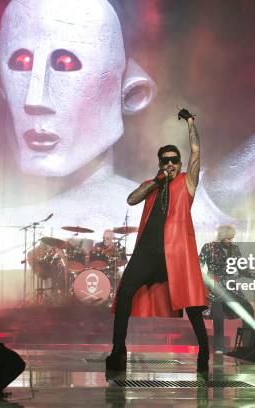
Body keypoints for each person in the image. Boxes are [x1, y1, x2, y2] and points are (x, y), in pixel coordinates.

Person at [106, 108, 209, 373]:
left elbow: (196, 151)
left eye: (174, 159)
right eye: (166, 160)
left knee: (193, 306)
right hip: (148, 254)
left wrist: (190, 122)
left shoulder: (187, 182)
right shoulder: (153, 184)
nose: (171, 163)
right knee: (125, 293)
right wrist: (156, 180)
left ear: (180, 162)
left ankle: (204, 353)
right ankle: (118, 350)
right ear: (160, 163)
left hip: (175, 255)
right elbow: (132, 199)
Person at [199, 225, 255, 353]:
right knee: (218, 316)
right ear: (221, 237)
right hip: (215, 287)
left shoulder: (235, 249)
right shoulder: (209, 247)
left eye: (232, 238)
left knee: (248, 310)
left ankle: (247, 346)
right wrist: (207, 280)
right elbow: (199, 266)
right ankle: (219, 348)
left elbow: (242, 268)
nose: (231, 241)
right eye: (228, 238)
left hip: (231, 286)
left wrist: (253, 273)